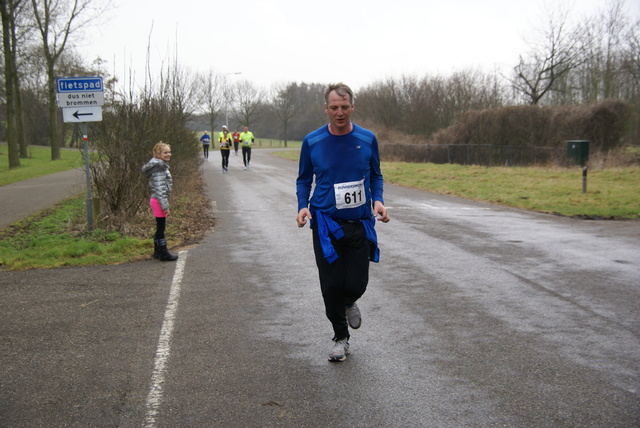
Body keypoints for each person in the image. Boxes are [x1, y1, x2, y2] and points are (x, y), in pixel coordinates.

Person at [296, 83, 390, 362]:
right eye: (334, 107)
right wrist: (302, 206)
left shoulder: (367, 138)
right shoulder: (312, 141)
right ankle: (340, 338)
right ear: (326, 109)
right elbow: (303, 179)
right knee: (330, 286)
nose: (340, 112)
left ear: (352, 107)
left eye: (344, 107)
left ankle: (350, 301)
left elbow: (376, 175)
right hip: (325, 224)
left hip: (359, 222)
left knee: (356, 283)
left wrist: (378, 200)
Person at [142, 141, 178, 262]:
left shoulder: (160, 166)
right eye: (165, 152)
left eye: (169, 152)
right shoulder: (159, 168)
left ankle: (157, 251)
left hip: (157, 200)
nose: (168, 154)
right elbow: (160, 189)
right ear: (158, 154)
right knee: (161, 228)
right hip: (158, 200)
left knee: (160, 226)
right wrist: (165, 207)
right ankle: (163, 253)